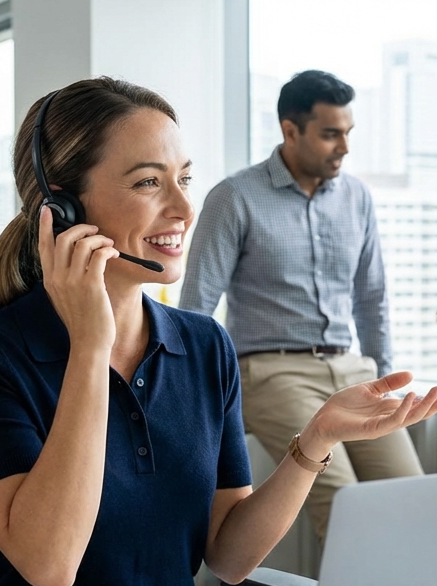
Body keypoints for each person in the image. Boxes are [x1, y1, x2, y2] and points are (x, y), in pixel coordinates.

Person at [0, 77, 437, 586]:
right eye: (148, 182)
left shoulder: (206, 345)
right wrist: (91, 347)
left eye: (184, 179)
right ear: (60, 208)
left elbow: (230, 558)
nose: (185, 207)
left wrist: (317, 439)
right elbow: (51, 564)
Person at [179, 70, 424, 544]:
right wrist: (192, 406)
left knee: (412, 499)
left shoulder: (357, 198)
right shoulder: (236, 197)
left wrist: (384, 379)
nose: (345, 147)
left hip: (354, 371)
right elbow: (196, 309)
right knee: (345, 508)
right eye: (331, 134)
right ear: (290, 131)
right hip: (271, 372)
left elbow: (372, 298)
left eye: (348, 133)